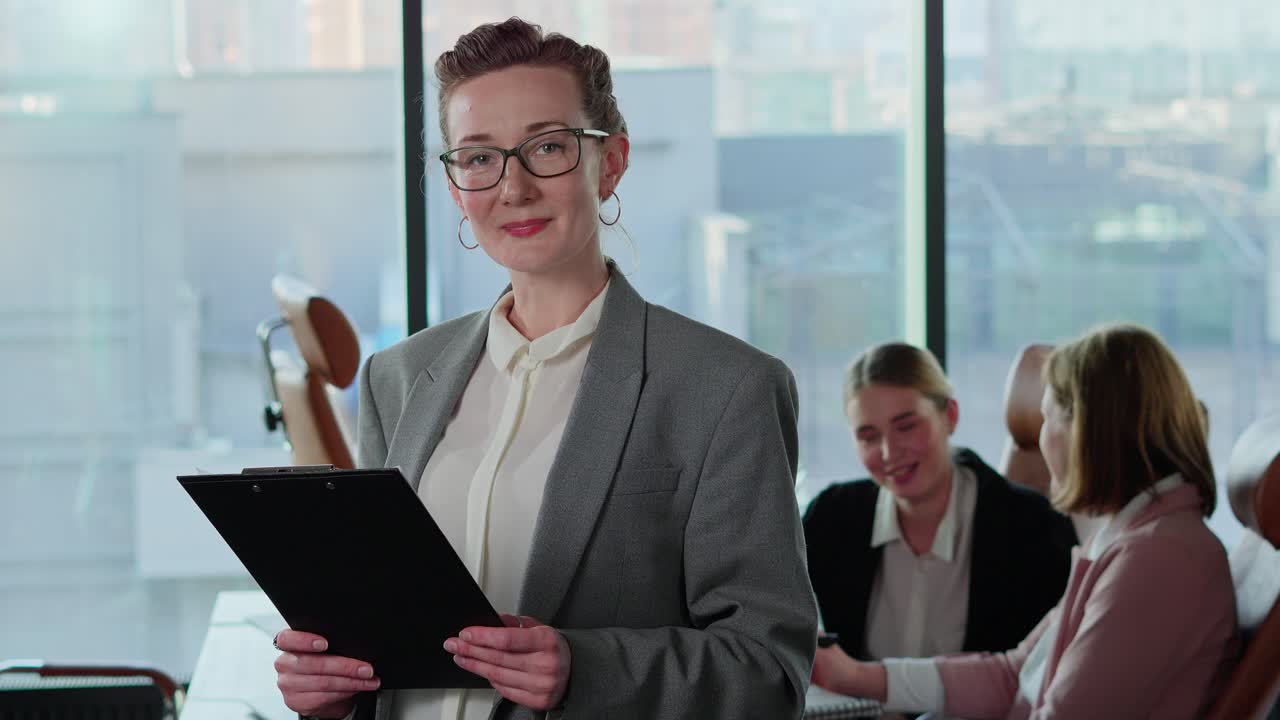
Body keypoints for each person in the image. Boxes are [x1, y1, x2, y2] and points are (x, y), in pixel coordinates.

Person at [271, 17, 817, 720]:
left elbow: (769, 672)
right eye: (478, 158)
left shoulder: (725, 389)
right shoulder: (398, 378)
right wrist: (329, 690)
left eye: (548, 147)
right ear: (455, 182)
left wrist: (584, 670)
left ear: (610, 161)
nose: (513, 187)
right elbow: (381, 628)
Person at [811, 324, 1238, 719]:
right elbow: (1013, 673)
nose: (1039, 438)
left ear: (1089, 431)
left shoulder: (1158, 559)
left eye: (1047, 418)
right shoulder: (1130, 541)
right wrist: (853, 676)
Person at [804, 342, 1076, 666]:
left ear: (950, 415)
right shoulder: (830, 519)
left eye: (907, 426)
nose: (889, 453)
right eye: (868, 436)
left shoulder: (1033, 528)